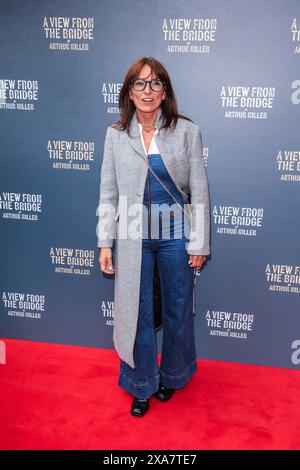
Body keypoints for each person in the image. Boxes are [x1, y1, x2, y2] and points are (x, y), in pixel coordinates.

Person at [97, 56, 211, 417]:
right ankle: (141, 382)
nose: (147, 91)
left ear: (165, 92)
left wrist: (200, 242)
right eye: (140, 84)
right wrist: (105, 241)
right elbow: (108, 193)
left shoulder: (187, 132)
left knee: (178, 307)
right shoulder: (116, 135)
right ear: (129, 92)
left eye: (155, 83)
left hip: (176, 231)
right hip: (132, 232)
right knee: (137, 310)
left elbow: (199, 191)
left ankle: (174, 375)